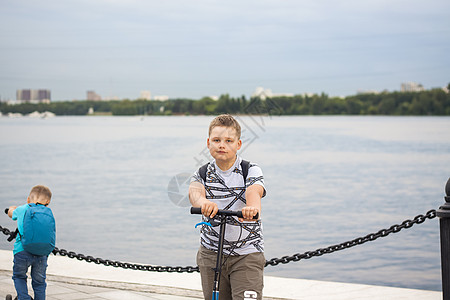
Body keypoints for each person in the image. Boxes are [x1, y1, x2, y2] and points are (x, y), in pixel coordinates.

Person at [189, 114, 266, 300]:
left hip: (246, 253)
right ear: (208, 143)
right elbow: (194, 194)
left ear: (238, 144)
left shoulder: (250, 170)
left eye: (228, 141)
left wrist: (251, 209)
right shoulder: (202, 173)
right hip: (211, 254)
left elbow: (254, 193)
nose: (222, 145)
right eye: (216, 140)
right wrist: (204, 203)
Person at [7, 185, 53, 300]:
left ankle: (24, 298)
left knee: (19, 276)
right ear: (48, 202)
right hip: (42, 254)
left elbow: (11, 214)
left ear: (28, 199)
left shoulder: (23, 208)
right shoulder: (48, 212)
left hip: (22, 251)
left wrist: (11, 209)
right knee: (39, 282)